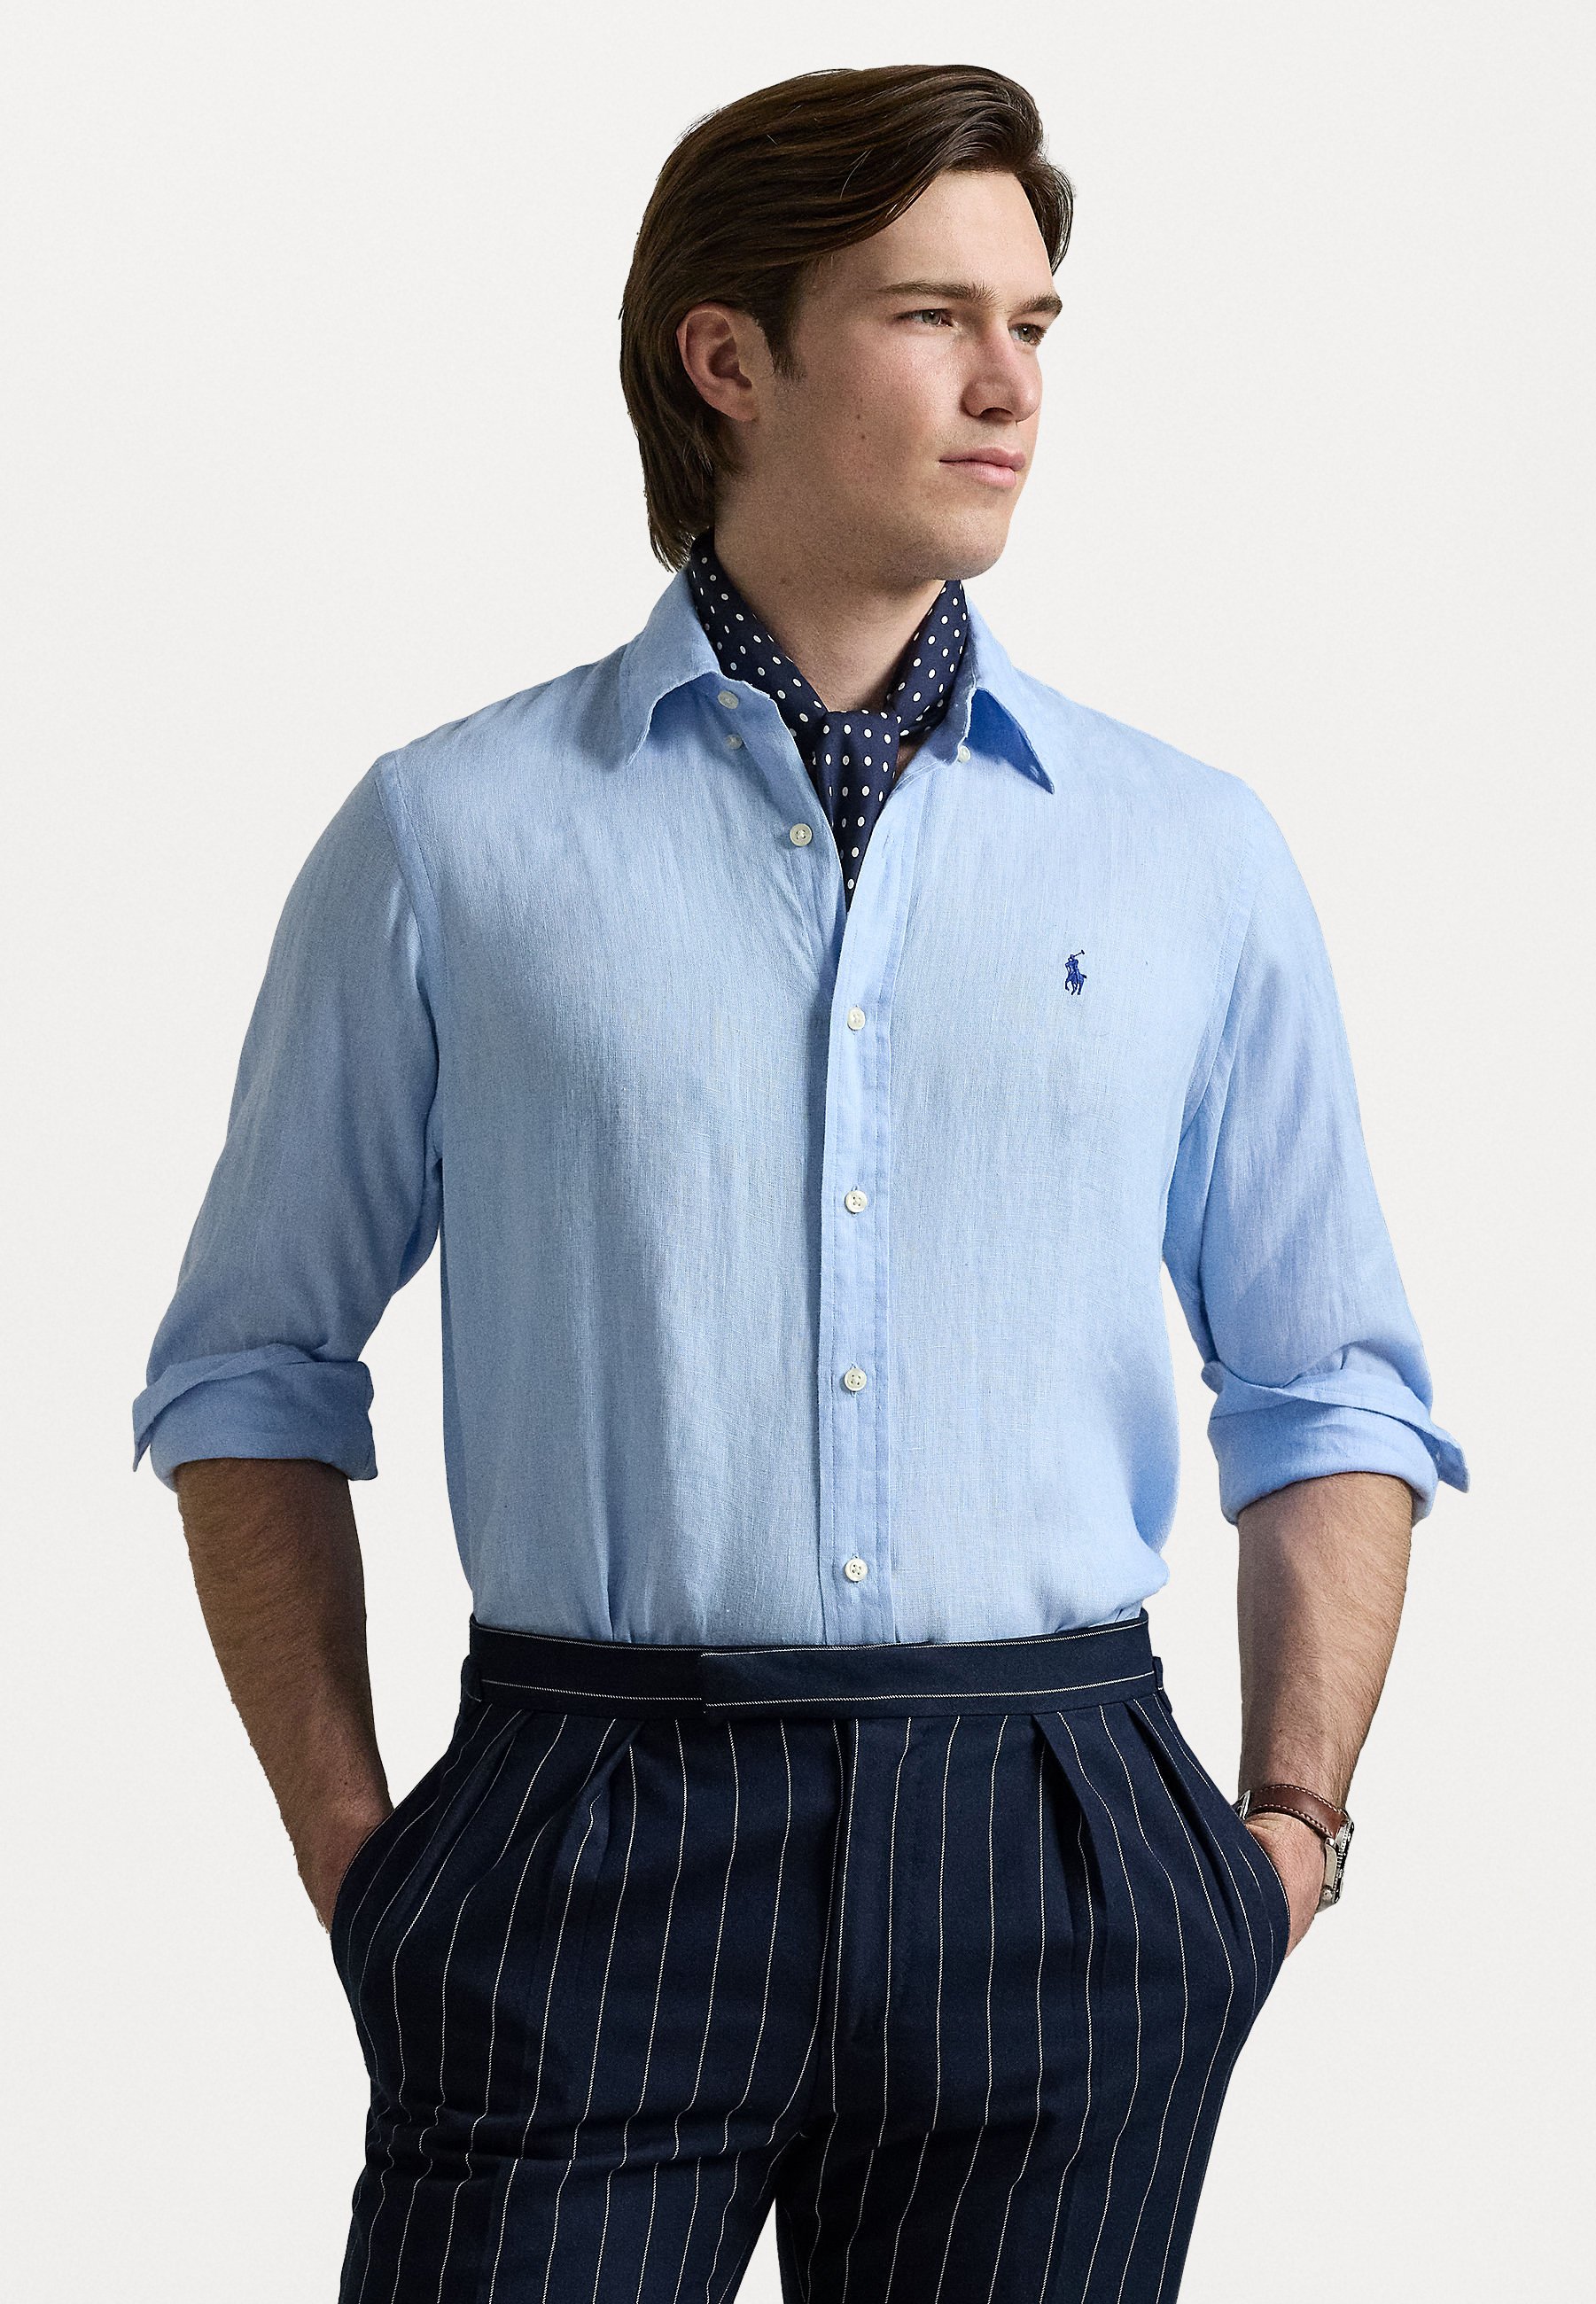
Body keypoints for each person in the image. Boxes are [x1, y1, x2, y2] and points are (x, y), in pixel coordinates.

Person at [133, 61, 1467, 2303]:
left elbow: (1327, 1377)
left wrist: (1284, 1838)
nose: (1008, 385)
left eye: (1033, 325)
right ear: (727, 357)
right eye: (932, 317)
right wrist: (360, 1855)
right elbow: (247, 1365)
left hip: (1062, 1844)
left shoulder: (1186, 852)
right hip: (586, 1827)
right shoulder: (453, 836)